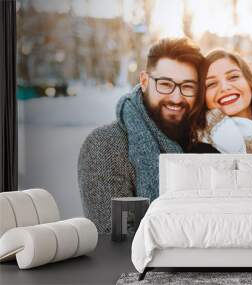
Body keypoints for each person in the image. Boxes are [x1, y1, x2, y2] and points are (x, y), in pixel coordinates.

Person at [78, 38, 216, 234]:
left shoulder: (205, 141)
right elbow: (114, 240)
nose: (176, 98)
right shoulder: (105, 144)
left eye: (188, 86)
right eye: (165, 84)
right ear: (144, 81)